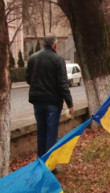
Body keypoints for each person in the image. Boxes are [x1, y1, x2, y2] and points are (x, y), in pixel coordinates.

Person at [26, 33, 74, 164]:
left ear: (42, 44)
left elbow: (28, 78)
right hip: (53, 102)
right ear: (55, 45)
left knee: (41, 132)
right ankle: (49, 165)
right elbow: (63, 84)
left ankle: (40, 162)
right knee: (51, 134)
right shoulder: (58, 60)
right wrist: (70, 103)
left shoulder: (33, 58)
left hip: (37, 101)